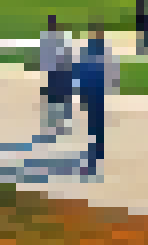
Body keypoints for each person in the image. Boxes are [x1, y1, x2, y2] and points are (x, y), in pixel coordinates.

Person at [75, 26, 113, 175]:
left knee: (94, 126)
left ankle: (94, 160)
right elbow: (111, 73)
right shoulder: (101, 52)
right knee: (96, 126)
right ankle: (96, 157)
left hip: (94, 92)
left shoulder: (89, 52)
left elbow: (80, 71)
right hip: (96, 92)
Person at [39, 18, 76, 136]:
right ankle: (60, 124)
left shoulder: (50, 38)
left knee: (57, 97)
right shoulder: (63, 37)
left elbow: (45, 59)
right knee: (60, 97)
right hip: (60, 72)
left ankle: (57, 124)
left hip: (57, 72)